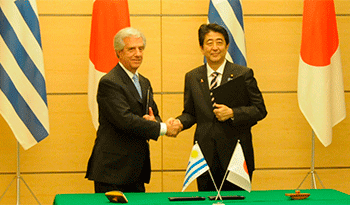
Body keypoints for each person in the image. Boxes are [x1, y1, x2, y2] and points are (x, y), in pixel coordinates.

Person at [172, 23, 267, 191]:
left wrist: (233, 113)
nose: (214, 47)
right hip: (204, 158)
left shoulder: (243, 74)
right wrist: (179, 123)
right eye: (209, 43)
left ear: (227, 46)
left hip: (237, 156)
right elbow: (190, 113)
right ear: (201, 48)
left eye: (219, 42)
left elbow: (260, 109)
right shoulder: (193, 77)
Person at [85, 27, 182, 193]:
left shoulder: (144, 82)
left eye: (141, 48)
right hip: (112, 171)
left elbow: (154, 114)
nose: (138, 54)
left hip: (136, 170)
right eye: (131, 49)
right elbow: (125, 120)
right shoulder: (110, 82)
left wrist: (156, 121)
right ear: (119, 52)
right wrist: (164, 128)